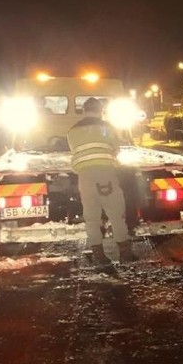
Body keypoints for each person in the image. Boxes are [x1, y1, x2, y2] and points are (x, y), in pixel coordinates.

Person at [67, 97, 134, 267]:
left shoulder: (72, 131)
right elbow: (116, 148)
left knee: (91, 216)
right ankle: (125, 253)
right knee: (116, 213)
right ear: (100, 111)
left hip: (84, 177)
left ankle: (99, 256)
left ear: (84, 111)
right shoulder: (107, 127)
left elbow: (75, 151)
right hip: (105, 174)